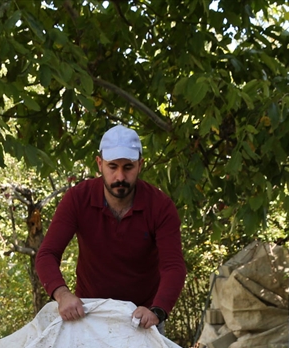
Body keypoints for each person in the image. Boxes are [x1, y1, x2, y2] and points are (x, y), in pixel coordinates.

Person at [35, 125, 186, 329]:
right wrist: (62, 295)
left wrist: (157, 310)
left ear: (140, 165)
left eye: (128, 167)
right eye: (113, 167)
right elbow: (47, 254)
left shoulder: (160, 206)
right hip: (89, 313)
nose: (120, 177)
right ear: (100, 164)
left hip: (142, 316)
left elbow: (173, 266)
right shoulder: (78, 199)